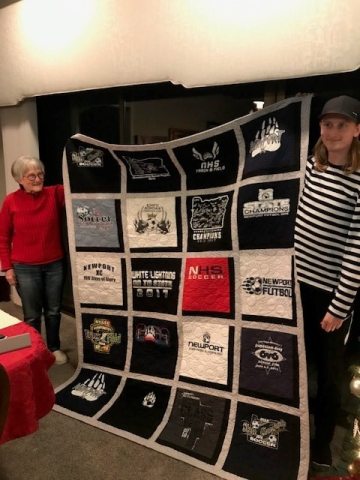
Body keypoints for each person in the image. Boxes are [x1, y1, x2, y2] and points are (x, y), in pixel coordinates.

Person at [294, 95, 360, 471]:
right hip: (297, 284)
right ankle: (296, 428)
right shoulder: (311, 165)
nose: (332, 131)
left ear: (356, 130)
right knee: (297, 363)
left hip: (331, 294)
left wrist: (339, 306)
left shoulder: (359, 178)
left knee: (330, 373)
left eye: (341, 124)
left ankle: (321, 444)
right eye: (327, 124)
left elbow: (356, 249)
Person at [0, 155, 68, 365]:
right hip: (24, 268)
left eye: (40, 174)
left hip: (54, 264)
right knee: (31, 315)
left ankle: (54, 348)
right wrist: (7, 269)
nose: (38, 179)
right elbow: (3, 238)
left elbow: (79, 188)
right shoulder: (11, 201)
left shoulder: (54, 194)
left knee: (54, 311)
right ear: (19, 179)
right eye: (32, 176)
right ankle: (35, 351)